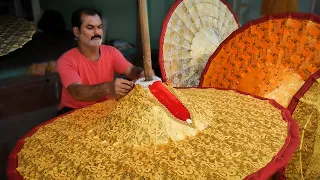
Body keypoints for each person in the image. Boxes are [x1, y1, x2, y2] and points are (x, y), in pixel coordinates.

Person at [56, 8, 145, 116]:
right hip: (74, 112)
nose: (97, 32)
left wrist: (141, 73)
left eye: (99, 27)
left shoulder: (111, 52)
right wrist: (108, 88)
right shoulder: (66, 60)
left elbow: (131, 70)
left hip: (105, 109)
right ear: (76, 31)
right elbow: (77, 92)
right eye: (90, 28)